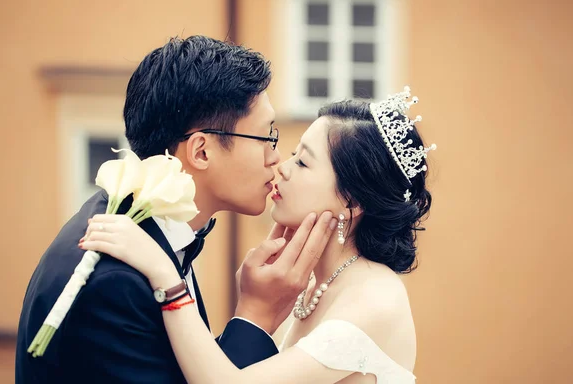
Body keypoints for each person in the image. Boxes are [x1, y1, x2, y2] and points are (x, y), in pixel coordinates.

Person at [15, 36, 336, 384]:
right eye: (266, 137)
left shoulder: (142, 226)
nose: (276, 159)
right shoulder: (112, 284)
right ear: (201, 152)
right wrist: (255, 318)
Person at [81, 87, 436, 383]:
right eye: (293, 153)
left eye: (302, 162)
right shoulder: (311, 285)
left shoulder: (375, 299)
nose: (281, 166)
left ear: (352, 199)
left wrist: (165, 276)